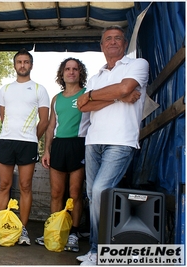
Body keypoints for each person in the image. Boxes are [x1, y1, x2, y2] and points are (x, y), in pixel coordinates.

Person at [75, 25, 149, 265]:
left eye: (118, 38)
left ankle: (99, 250)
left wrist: (99, 95)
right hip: (93, 141)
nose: (113, 42)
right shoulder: (96, 77)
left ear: (125, 44)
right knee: (92, 195)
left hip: (120, 140)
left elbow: (126, 87)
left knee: (100, 192)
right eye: (108, 39)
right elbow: (83, 105)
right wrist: (117, 96)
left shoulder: (138, 65)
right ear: (101, 45)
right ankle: (98, 250)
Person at [0, 48, 50, 245]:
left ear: (31, 65)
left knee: (25, 186)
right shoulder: (6, 89)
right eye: (19, 62)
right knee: (3, 185)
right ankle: (1, 226)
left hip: (28, 143)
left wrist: (31, 138)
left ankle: (22, 229)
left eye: (26, 62)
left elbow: (44, 120)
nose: (22, 65)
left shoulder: (39, 89)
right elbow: (2, 116)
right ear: (14, 65)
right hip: (6, 142)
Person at [35, 58, 90, 251]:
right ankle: (54, 230)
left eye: (75, 69)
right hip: (58, 146)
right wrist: (47, 150)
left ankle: (73, 233)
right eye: (68, 69)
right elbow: (50, 127)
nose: (71, 72)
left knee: (75, 193)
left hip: (78, 145)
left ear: (80, 73)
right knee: (56, 193)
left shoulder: (87, 94)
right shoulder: (56, 99)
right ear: (62, 73)